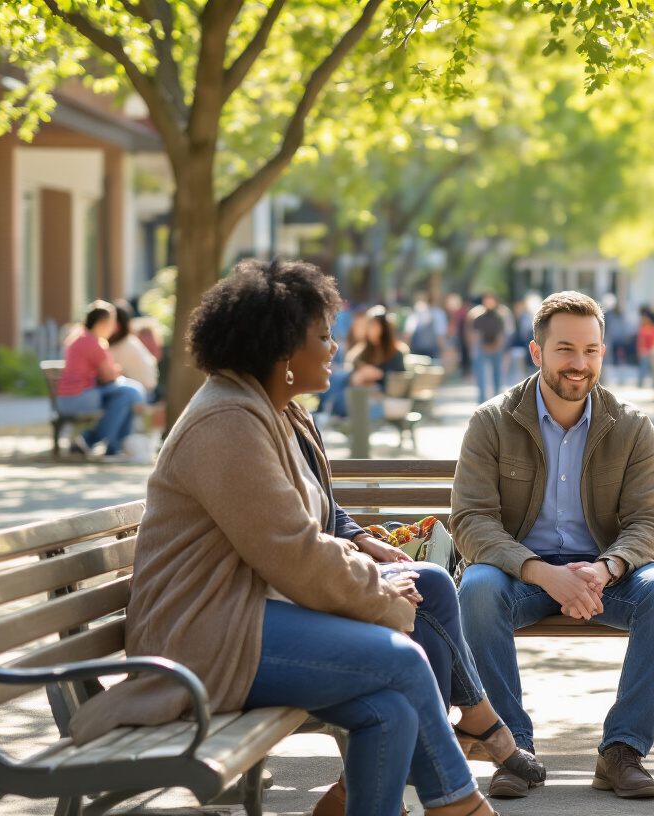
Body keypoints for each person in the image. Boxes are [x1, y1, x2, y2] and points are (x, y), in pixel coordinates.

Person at [66, 260, 522, 816]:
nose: (334, 347)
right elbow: (292, 551)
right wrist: (379, 594)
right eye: (323, 336)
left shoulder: (268, 411)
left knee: (390, 711)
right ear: (282, 350)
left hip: (240, 617)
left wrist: (373, 571)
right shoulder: (226, 423)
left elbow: (309, 529)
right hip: (202, 638)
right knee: (402, 661)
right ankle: (460, 805)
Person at [451, 291, 654, 801]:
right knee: (476, 588)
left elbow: (651, 520)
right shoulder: (491, 422)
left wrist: (607, 568)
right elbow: (471, 522)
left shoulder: (631, 427)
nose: (579, 364)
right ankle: (511, 747)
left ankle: (622, 751)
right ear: (537, 353)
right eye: (565, 349)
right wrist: (540, 571)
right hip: (520, 574)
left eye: (591, 350)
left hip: (602, 575)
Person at [55, 300, 147, 460]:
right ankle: (100, 443)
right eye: (111, 323)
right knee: (130, 393)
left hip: (67, 398)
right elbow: (108, 376)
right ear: (102, 323)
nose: (112, 328)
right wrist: (115, 372)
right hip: (81, 397)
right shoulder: (94, 343)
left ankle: (106, 445)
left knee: (125, 397)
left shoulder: (77, 338)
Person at [320, 306, 407, 421]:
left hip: (381, 400)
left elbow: (398, 384)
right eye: (371, 326)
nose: (373, 330)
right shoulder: (361, 353)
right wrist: (359, 377)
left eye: (377, 326)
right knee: (338, 381)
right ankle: (326, 411)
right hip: (360, 395)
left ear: (385, 329)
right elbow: (352, 379)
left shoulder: (395, 354)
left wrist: (378, 376)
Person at [108, 301, 161, 403]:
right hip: (147, 390)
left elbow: (108, 374)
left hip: (143, 394)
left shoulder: (121, 346)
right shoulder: (130, 341)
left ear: (118, 326)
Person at [468, 293, 513, 403]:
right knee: (481, 374)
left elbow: (502, 334)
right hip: (482, 347)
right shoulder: (479, 316)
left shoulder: (499, 316)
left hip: (496, 348)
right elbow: (475, 334)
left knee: (498, 373)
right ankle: (482, 399)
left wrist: (499, 346)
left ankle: (497, 398)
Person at [406, 292, 448, 360]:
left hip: (418, 347)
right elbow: (440, 333)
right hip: (431, 348)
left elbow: (408, 331)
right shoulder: (438, 313)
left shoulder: (416, 313)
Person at [635, 308, 654, 388]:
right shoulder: (643, 329)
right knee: (643, 371)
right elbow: (641, 343)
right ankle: (640, 386)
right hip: (645, 354)